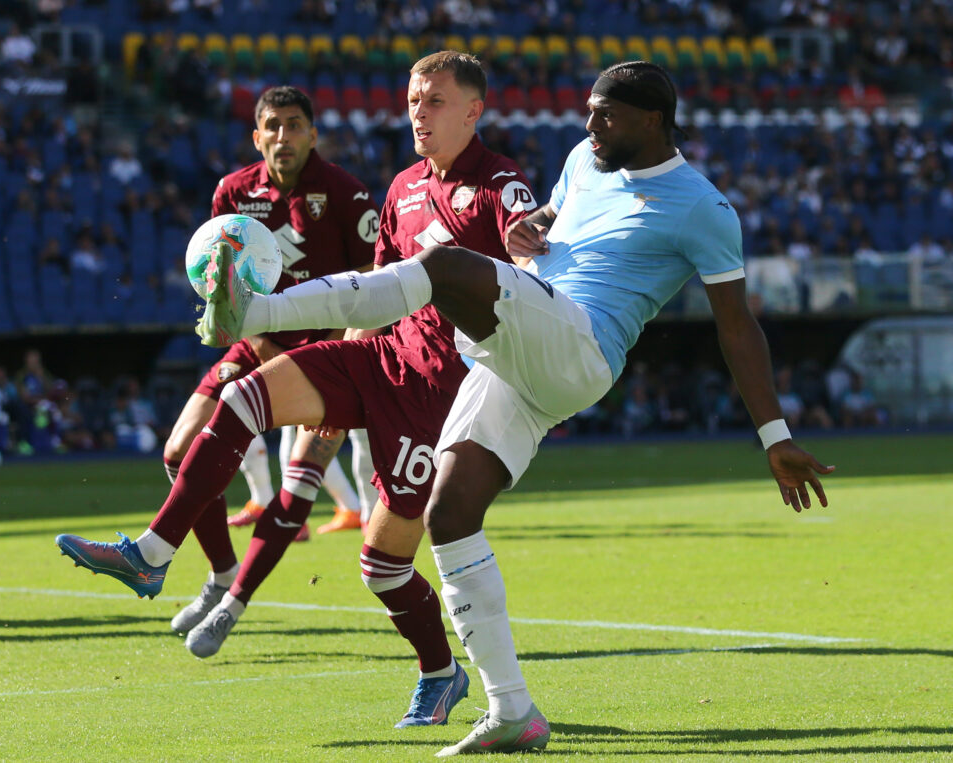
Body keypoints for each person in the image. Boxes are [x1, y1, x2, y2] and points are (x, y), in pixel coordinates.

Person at [186, 60, 836, 756]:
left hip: (580, 345)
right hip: (516, 356)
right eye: (589, 110)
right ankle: (511, 711)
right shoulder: (585, 160)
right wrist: (533, 227)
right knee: (448, 514)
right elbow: (554, 219)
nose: (589, 124)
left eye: (605, 114)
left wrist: (774, 435)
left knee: (443, 265)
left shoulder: (703, 207)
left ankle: (254, 310)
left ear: (652, 121)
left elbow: (737, 325)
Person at [55, 52, 539, 730]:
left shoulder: (500, 185)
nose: (418, 114)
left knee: (382, 565)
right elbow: (374, 291)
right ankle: (153, 554)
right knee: (243, 399)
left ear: (473, 111)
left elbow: (535, 265)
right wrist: (341, 378)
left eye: (433, 101)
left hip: (442, 395)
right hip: (380, 355)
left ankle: (440, 672)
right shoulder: (402, 188)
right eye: (412, 101)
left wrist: (528, 253)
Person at [156, 85, 378, 630]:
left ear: (313, 134)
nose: (284, 136)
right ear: (257, 137)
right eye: (273, 126)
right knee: (178, 451)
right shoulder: (232, 193)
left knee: (299, 480)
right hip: (258, 342)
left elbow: (373, 287)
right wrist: (261, 343)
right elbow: (222, 290)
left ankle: (234, 603)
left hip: (328, 353)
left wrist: (338, 359)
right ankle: (220, 574)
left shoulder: (347, 194)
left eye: (294, 124)